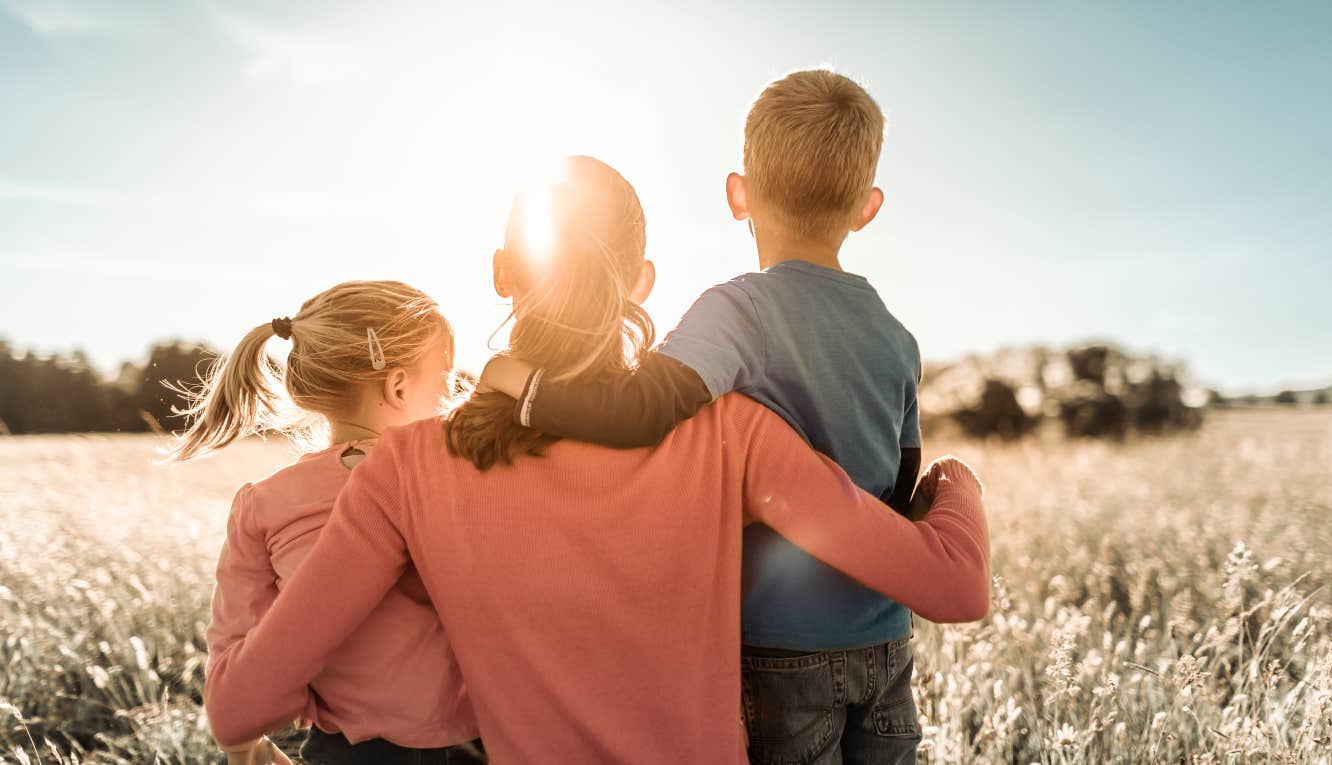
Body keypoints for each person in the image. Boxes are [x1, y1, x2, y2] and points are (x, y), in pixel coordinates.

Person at [204, 156, 989, 765]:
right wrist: (956, 482)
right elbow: (952, 586)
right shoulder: (730, 435)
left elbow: (239, 708)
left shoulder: (408, 468)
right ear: (641, 283)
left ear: (502, 274)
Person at [477, 71, 927, 762]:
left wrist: (522, 385)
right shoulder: (897, 337)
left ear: (737, 195)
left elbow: (642, 410)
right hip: (885, 642)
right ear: (867, 208)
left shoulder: (740, 310)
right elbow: (901, 482)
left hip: (781, 645)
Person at [171, 281, 482, 764]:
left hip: (345, 753)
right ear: (398, 386)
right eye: (445, 379)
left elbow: (232, 646)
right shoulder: (453, 476)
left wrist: (245, 747)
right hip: (474, 745)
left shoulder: (263, 504)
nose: (452, 394)